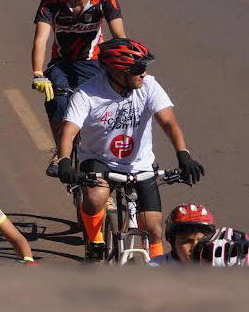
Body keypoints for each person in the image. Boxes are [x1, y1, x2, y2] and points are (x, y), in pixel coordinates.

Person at [56, 37, 205, 262]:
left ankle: (157, 270)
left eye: (144, 68)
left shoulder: (149, 86)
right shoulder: (86, 94)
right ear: (117, 72)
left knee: (154, 227)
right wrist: (65, 161)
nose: (143, 73)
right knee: (96, 198)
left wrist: (183, 155)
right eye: (138, 69)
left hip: (140, 164)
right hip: (99, 160)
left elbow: (169, 123)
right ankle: (94, 240)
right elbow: (68, 132)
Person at [31, 0, 125, 176]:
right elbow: (41, 39)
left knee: (104, 109)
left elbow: (120, 37)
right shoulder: (50, 3)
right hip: (61, 64)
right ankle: (61, 151)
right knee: (58, 102)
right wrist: (37, 73)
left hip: (93, 63)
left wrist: (125, 68)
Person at [148, 203, 216, 265]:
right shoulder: (157, 267)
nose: (195, 247)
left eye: (202, 241)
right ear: (173, 242)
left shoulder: (217, 264)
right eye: (187, 241)